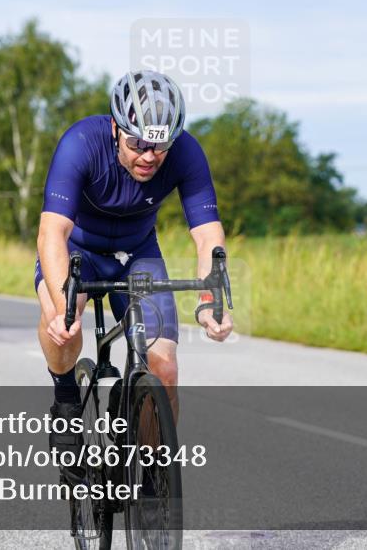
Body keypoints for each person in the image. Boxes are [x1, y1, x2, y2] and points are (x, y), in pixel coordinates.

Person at [35, 69, 234, 473]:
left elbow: (207, 234)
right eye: (137, 142)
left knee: (165, 368)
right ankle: (67, 397)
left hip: (138, 253)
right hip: (78, 249)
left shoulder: (186, 152)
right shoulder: (80, 143)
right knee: (62, 319)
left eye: (159, 146)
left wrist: (211, 300)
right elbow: (52, 232)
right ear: (115, 126)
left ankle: (152, 478)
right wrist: (64, 307)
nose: (148, 156)